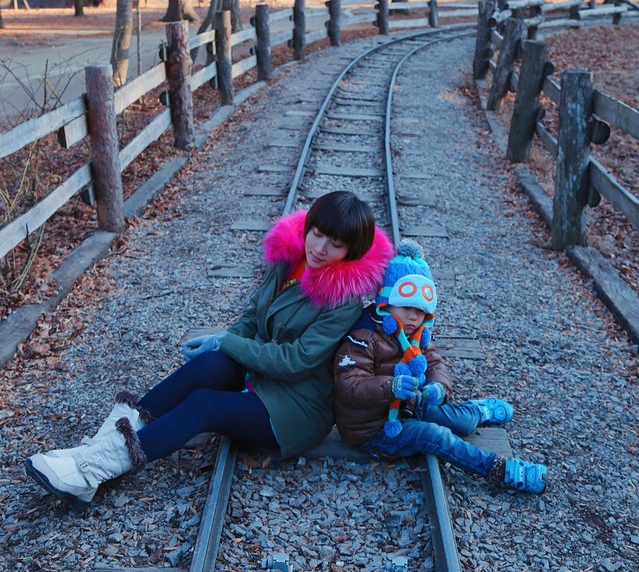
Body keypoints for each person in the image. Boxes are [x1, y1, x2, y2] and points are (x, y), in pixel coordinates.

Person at [25, 190, 394, 506]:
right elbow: (253, 315)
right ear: (308, 227)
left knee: (205, 404)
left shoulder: (342, 299)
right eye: (317, 234)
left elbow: (295, 362)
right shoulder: (291, 259)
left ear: (351, 250)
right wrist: (225, 345)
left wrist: (228, 341)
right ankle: (95, 453)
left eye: (336, 244)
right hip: (262, 377)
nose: (320, 248)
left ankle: (93, 469)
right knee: (210, 365)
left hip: (294, 407)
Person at [333, 239, 547, 494]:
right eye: (407, 307)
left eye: (421, 311)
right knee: (435, 436)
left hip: (407, 406)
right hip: (374, 429)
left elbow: (435, 363)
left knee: (463, 423)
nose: (414, 317)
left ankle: (476, 411)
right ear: (386, 301)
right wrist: (391, 386)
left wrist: (438, 387)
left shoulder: (414, 332)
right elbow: (349, 385)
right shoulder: (364, 337)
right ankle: (498, 469)